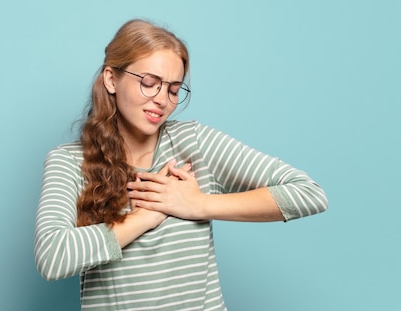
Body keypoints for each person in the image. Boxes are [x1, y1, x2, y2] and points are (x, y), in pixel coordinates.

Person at [34, 19, 328, 310]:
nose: (162, 99)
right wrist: (143, 218)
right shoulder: (69, 162)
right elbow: (53, 257)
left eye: (173, 90)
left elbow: (307, 194)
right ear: (112, 79)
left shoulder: (194, 143)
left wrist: (197, 205)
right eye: (149, 84)